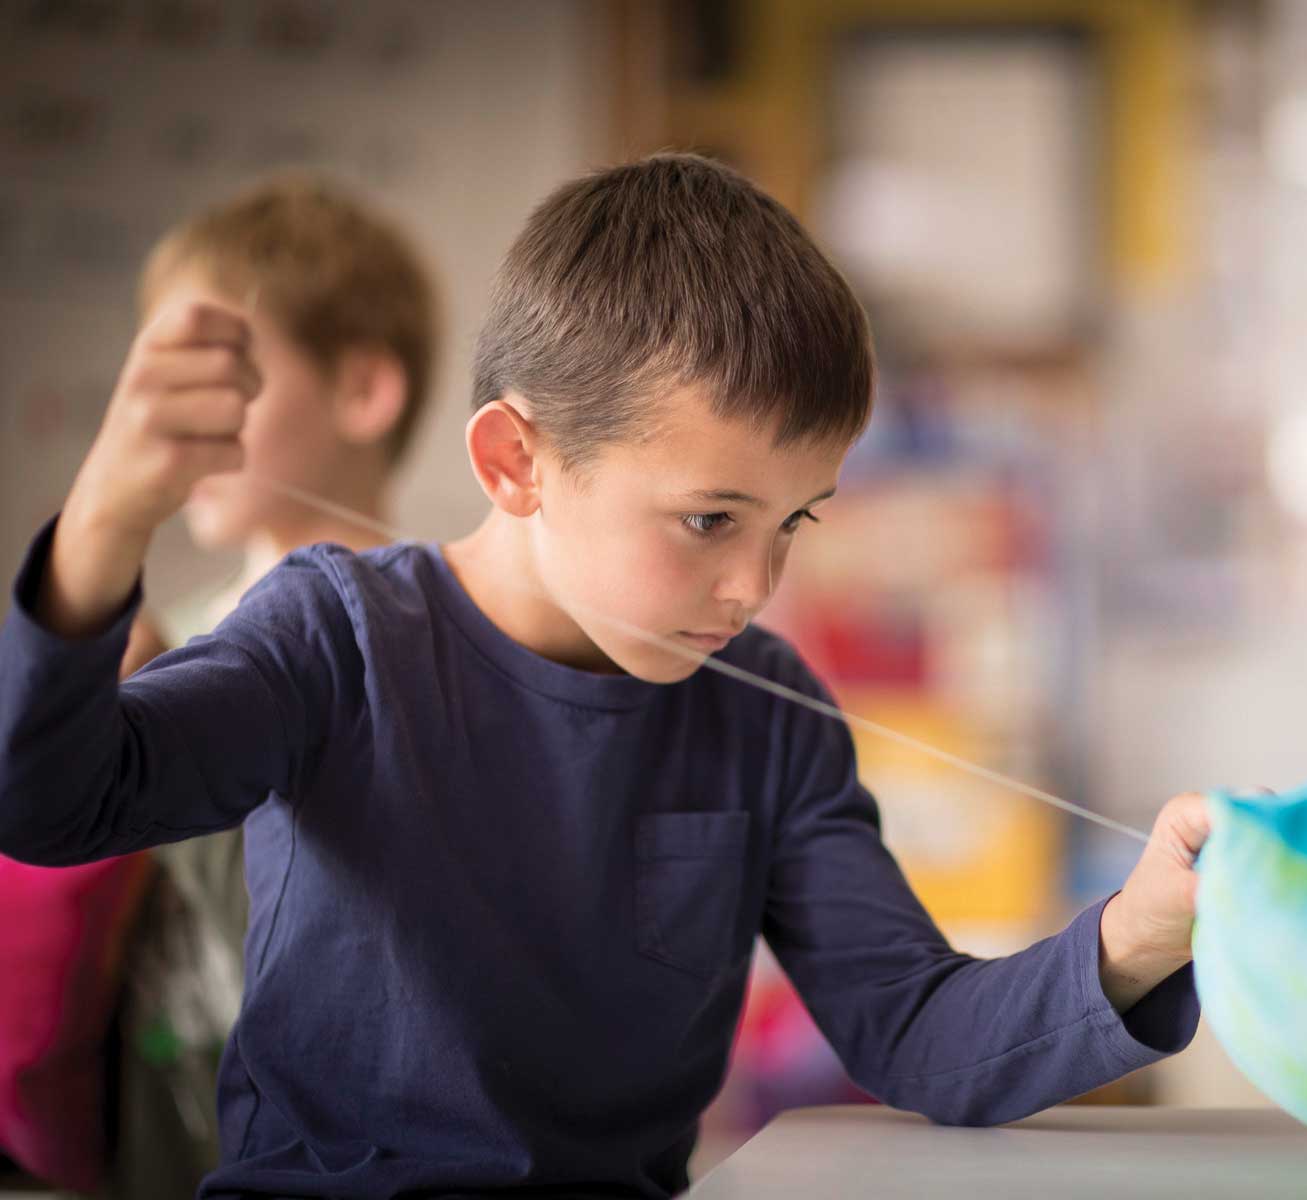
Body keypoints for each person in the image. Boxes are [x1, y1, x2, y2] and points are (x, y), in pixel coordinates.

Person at [0, 154, 1207, 1199]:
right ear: (516, 460)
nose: (754, 586)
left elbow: (916, 1032)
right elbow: (52, 803)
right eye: (708, 522)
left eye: (796, 522)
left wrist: (1140, 935)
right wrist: (104, 527)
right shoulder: (335, 634)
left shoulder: (768, 718)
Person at [117, 173, 438, 1197]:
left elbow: (347, 945)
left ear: (362, 391)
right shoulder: (177, 625)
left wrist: (146, 755)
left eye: (223, 377)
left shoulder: (429, 644)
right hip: (157, 1134)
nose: (182, 420)